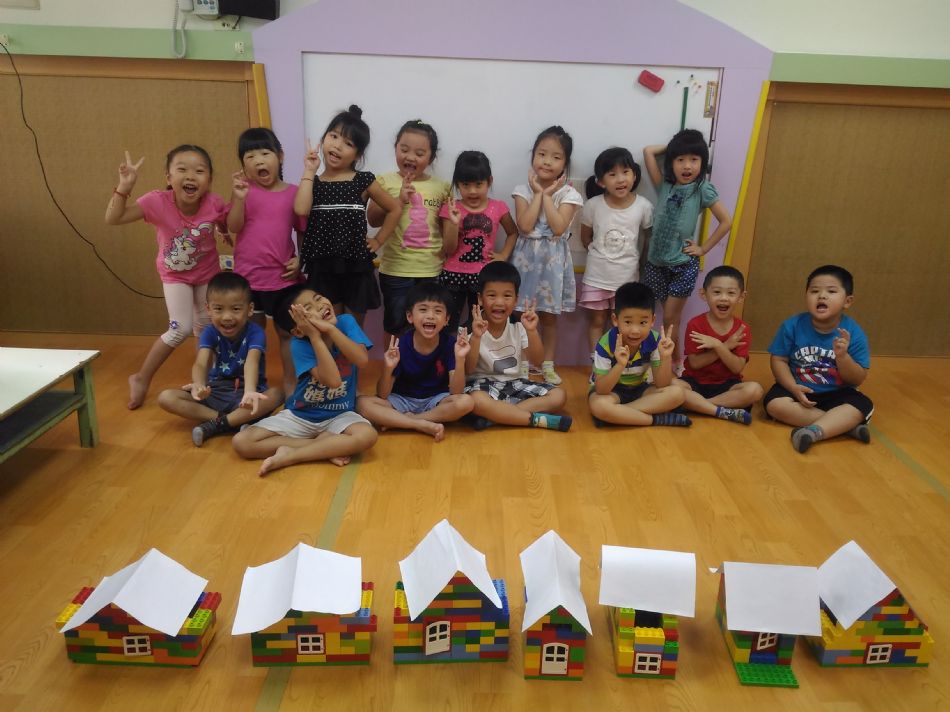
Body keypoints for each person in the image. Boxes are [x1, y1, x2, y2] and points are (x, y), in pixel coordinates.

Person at [105, 145, 228, 410]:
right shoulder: (157, 201)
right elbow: (114, 218)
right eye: (182, 169)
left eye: (199, 171)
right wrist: (124, 186)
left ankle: (207, 382)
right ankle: (141, 377)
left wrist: (225, 231)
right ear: (169, 177)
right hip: (175, 276)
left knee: (207, 327)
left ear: (209, 179)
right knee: (180, 329)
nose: (190, 176)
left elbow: (223, 221)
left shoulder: (214, 202)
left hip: (207, 273)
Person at [232, 286, 378, 475]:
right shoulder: (299, 344)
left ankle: (292, 455)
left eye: (318, 298)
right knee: (242, 442)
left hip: (340, 414)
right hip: (302, 415)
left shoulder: (346, 322)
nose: (320, 305)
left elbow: (362, 360)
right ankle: (326, 447)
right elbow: (333, 380)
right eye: (309, 309)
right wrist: (315, 337)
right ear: (299, 331)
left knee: (367, 435)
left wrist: (331, 329)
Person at [294, 105, 401, 327]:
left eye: (348, 143)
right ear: (324, 139)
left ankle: (352, 354)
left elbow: (394, 209)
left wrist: (378, 240)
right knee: (328, 329)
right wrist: (309, 171)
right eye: (333, 136)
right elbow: (301, 210)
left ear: (358, 154)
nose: (337, 145)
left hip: (356, 268)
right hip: (322, 268)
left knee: (352, 331)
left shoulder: (363, 180)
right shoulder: (313, 182)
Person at [157, 271, 283, 445]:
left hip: (246, 393)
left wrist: (249, 391)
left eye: (236, 309)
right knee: (166, 397)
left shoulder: (256, 332)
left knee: (277, 394)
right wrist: (199, 385)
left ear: (250, 309)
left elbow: (251, 363)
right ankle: (228, 421)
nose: (227, 317)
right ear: (208, 309)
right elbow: (201, 364)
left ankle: (217, 424)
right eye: (218, 309)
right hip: (215, 391)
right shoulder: (209, 332)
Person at [642, 130, 733, 369]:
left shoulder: (701, 189)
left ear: (702, 163)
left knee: (670, 318)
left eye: (694, 159)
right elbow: (648, 152)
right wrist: (674, 146)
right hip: (655, 263)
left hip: (682, 265)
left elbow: (726, 221)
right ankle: (673, 361)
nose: (687, 166)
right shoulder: (665, 185)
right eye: (680, 159)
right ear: (671, 162)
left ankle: (674, 363)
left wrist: (703, 249)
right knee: (666, 318)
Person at [228, 127, 307, 395]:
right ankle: (254, 384)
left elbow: (302, 231)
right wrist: (238, 200)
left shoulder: (294, 193)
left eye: (265, 153)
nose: (259, 161)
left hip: (283, 279)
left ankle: (291, 382)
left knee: (287, 333)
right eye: (250, 157)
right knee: (252, 334)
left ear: (280, 156)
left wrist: (301, 260)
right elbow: (234, 226)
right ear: (243, 165)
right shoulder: (243, 191)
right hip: (248, 279)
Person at [764, 265, 873, 453]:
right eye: (814, 291)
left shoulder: (854, 333)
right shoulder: (792, 326)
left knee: (861, 405)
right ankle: (842, 427)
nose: (822, 296)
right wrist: (792, 387)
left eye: (831, 291)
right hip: (799, 389)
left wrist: (843, 357)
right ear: (806, 296)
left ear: (847, 301)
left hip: (837, 392)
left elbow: (857, 378)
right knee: (774, 404)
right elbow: (778, 360)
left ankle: (815, 431)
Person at [510, 126, 583, 385]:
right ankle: (522, 363)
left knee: (549, 318)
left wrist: (547, 196)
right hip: (525, 262)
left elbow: (559, 227)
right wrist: (538, 194)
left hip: (553, 263)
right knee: (521, 316)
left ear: (565, 163)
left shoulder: (570, 194)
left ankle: (547, 365)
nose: (547, 161)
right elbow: (525, 226)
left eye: (556, 157)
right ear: (533, 156)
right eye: (542, 154)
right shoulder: (522, 190)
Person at [357, 283, 474, 439]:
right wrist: (388, 368)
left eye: (438, 311)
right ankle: (420, 424)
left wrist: (460, 360)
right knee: (362, 404)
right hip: (402, 400)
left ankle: (406, 421)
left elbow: (456, 392)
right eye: (423, 310)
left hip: (435, 400)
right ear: (410, 316)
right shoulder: (401, 344)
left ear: (447, 319)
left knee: (466, 402)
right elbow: (382, 394)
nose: (430, 316)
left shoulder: (451, 344)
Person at [464, 261, 572, 432]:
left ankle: (497, 417)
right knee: (476, 400)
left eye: (507, 296)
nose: (499, 302)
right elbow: (468, 369)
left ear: (516, 300)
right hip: (483, 386)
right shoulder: (469, 329)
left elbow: (538, 361)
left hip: (515, 383)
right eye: (492, 295)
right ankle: (533, 420)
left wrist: (532, 331)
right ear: (480, 299)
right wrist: (476, 337)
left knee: (559, 395)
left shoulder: (518, 326)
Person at [367, 119, 450, 337]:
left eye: (419, 153)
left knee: (429, 327)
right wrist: (398, 200)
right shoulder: (384, 181)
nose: (410, 157)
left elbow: (446, 229)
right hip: (395, 270)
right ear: (396, 148)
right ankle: (392, 361)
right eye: (404, 150)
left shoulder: (441, 187)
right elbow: (373, 219)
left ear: (431, 157)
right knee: (395, 326)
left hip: (431, 270)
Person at [580, 147, 654, 354]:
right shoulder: (593, 205)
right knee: (597, 322)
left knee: (623, 325)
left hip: (627, 278)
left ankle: (620, 364)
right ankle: (597, 364)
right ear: (601, 182)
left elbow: (648, 238)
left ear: (634, 175)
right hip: (596, 276)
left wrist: (642, 264)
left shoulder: (643, 206)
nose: (620, 179)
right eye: (612, 174)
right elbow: (585, 237)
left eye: (625, 172)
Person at [588, 282, 690, 427]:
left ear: (652, 320)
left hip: (640, 389)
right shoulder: (605, 344)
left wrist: (666, 357)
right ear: (615, 320)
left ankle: (619, 414)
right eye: (628, 322)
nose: (635, 330)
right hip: (613, 392)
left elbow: (662, 384)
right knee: (599, 404)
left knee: (677, 393)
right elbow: (601, 389)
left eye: (643, 322)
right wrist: (620, 365)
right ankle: (655, 420)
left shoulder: (655, 340)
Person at [438, 150, 518, 329]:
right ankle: (451, 348)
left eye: (479, 184)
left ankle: (476, 348)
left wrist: (503, 255)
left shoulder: (498, 207)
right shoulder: (451, 208)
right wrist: (453, 222)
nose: (472, 191)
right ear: (457, 184)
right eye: (465, 185)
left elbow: (513, 232)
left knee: (480, 323)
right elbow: (449, 249)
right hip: (453, 274)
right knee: (447, 323)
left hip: (483, 276)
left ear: (489, 181)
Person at [676, 265, 763, 424]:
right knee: (672, 385)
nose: (723, 298)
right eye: (717, 292)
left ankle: (700, 406)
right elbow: (695, 364)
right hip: (695, 382)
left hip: (727, 386)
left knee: (755, 390)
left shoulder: (742, 329)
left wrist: (718, 345)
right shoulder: (695, 324)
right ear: (704, 294)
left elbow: (737, 368)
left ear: (741, 297)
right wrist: (726, 346)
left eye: (731, 293)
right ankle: (720, 410)